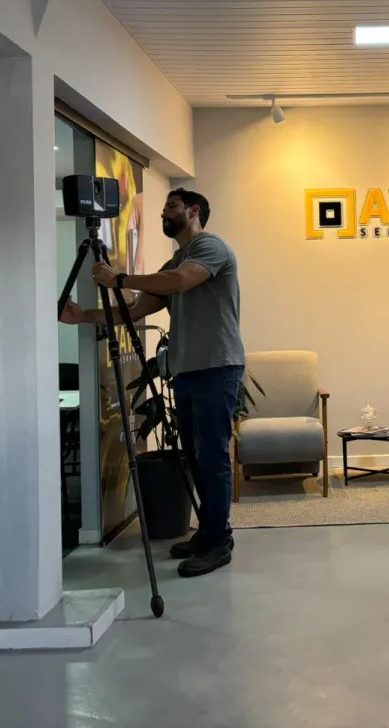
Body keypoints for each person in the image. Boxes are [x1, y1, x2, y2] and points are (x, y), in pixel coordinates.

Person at [61, 188, 245, 577]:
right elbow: (135, 309)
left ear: (194, 211)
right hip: (188, 371)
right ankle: (207, 532)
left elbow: (178, 282)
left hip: (217, 368)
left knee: (212, 457)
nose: (164, 214)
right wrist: (83, 316)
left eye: (171, 207)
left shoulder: (210, 248)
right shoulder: (173, 262)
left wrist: (119, 278)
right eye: (163, 209)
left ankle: (220, 540)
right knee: (196, 457)